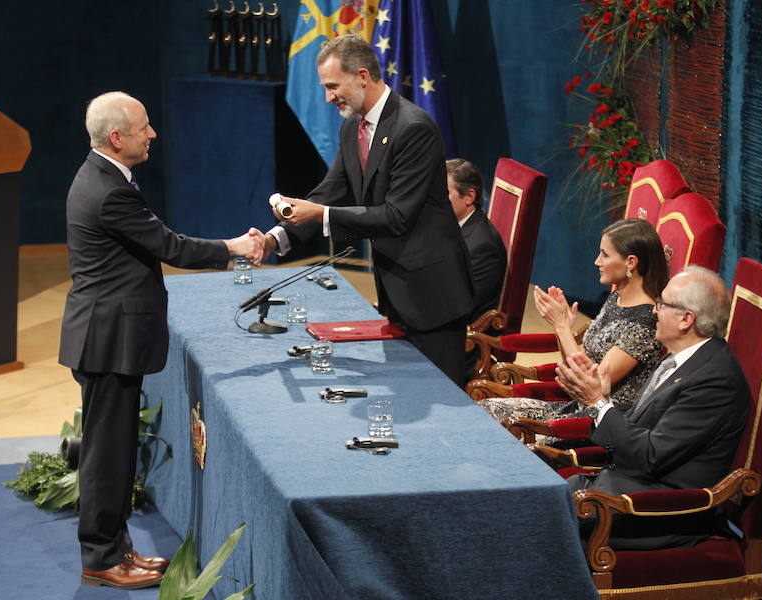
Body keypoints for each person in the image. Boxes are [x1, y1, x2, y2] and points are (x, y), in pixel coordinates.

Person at [58, 91, 264, 589]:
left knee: (115, 449)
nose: (152, 134)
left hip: (107, 335)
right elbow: (170, 246)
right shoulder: (110, 191)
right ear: (117, 137)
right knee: (108, 456)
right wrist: (234, 248)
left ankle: (117, 547)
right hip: (108, 339)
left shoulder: (106, 177)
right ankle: (103, 558)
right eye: (144, 127)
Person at [262, 34, 474, 386]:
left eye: (332, 86)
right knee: (403, 391)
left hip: (433, 293)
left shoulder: (413, 128)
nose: (328, 97)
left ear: (362, 75)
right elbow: (331, 190)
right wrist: (277, 237)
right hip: (395, 289)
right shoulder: (352, 126)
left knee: (441, 402)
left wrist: (320, 214)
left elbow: (396, 216)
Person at [557, 266, 750, 550]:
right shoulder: (676, 359)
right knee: (534, 500)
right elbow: (641, 429)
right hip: (621, 485)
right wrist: (605, 399)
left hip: (659, 509)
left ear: (686, 319)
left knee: (540, 525)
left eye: (662, 304)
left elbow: (650, 455)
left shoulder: (715, 381)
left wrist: (597, 403)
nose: (654, 311)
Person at [479, 218, 668, 423]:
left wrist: (562, 328)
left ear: (630, 262)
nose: (597, 261)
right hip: (575, 406)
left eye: (605, 254)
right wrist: (562, 327)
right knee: (486, 409)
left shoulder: (645, 322)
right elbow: (575, 366)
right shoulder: (617, 298)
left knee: (495, 417)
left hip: (596, 424)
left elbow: (591, 383)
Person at [446, 158, 507, 320]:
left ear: (469, 197)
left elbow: (456, 307)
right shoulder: (446, 224)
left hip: (459, 338)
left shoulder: (482, 248)